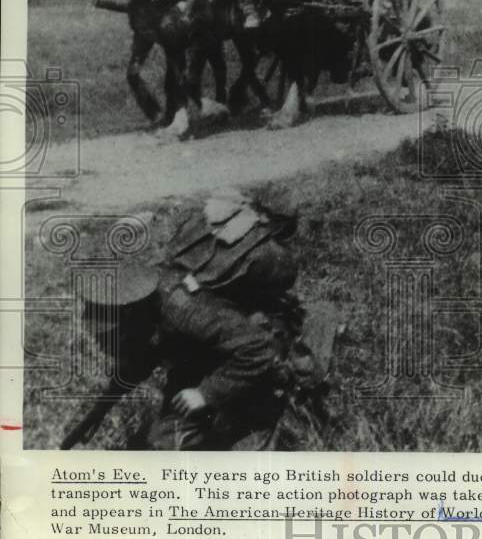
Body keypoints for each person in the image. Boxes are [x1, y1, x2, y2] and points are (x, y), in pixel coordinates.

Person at [70, 192, 326, 450]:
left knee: (167, 445)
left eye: (115, 336)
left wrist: (208, 393)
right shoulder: (149, 301)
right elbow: (141, 358)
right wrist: (100, 410)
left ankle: (266, 412)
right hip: (214, 344)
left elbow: (258, 349)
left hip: (257, 352)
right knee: (163, 435)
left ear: (127, 313)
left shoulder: (183, 310)